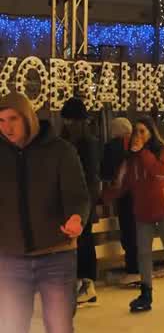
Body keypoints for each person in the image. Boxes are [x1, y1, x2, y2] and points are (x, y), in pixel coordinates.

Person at [0, 92, 91, 333]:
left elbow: (79, 195)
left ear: (28, 118)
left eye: (14, 119)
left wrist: (75, 217)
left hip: (55, 256)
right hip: (9, 259)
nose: (8, 128)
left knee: (59, 331)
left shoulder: (59, 151)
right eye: (2, 121)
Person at [106, 117, 164, 313]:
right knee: (143, 252)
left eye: (143, 131)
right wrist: (103, 196)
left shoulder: (162, 152)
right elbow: (122, 184)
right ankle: (146, 293)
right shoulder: (130, 159)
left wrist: (142, 152)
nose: (139, 135)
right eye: (136, 131)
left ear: (151, 132)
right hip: (143, 210)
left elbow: (159, 173)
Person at [59, 98, 102, 307]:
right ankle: (81, 283)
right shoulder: (71, 142)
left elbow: (91, 177)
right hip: (74, 202)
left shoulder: (86, 144)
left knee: (83, 243)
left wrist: (87, 204)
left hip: (82, 203)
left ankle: (87, 284)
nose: (66, 124)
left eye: (68, 120)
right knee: (79, 243)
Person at [101, 117, 139, 286]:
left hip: (123, 194)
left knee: (128, 231)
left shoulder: (112, 146)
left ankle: (133, 271)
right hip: (138, 194)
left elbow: (105, 171)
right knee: (137, 231)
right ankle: (139, 269)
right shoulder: (137, 144)